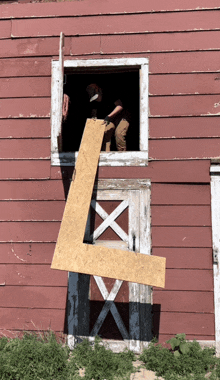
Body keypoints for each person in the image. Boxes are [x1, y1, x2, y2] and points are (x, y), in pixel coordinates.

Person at [86, 83, 130, 152]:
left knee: (119, 134)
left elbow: (120, 106)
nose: (96, 99)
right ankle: (106, 154)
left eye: (96, 97)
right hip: (110, 119)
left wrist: (108, 116)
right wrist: (94, 119)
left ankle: (122, 155)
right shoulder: (94, 102)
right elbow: (94, 113)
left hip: (122, 116)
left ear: (99, 91)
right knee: (105, 133)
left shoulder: (109, 93)